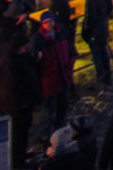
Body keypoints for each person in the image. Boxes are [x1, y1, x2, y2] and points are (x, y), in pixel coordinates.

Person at [0, 30, 41, 169]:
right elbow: (13, 84)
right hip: (17, 105)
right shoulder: (10, 62)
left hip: (24, 104)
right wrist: (28, 95)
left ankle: (21, 155)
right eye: (24, 46)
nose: (26, 48)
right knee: (18, 134)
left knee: (24, 132)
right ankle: (17, 161)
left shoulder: (20, 56)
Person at [32, 12, 75, 146]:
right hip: (49, 82)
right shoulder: (37, 39)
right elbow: (34, 59)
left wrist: (69, 66)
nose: (49, 24)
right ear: (41, 24)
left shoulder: (61, 32)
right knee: (48, 112)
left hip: (63, 77)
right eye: (45, 22)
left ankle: (59, 133)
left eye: (50, 21)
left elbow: (71, 50)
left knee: (62, 107)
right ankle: (45, 137)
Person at [82, 0, 113, 87]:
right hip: (103, 26)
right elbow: (110, 8)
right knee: (104, 51)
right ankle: (108, 75)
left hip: (94, 29)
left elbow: (89, 16)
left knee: (96, 53)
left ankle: (100, 76)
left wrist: (85, 30)